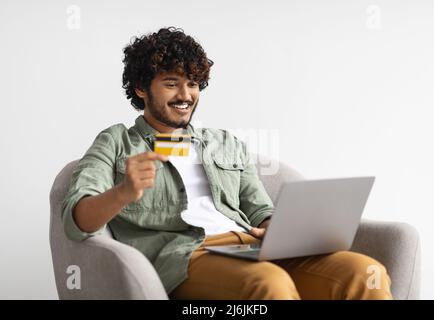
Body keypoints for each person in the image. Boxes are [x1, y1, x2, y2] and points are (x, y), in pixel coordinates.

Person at [62, 27, 392, 300]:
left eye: (192, 83)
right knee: (268, 283)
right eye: (171, 83)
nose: (185, 95)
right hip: (187, 257)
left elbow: (260, 208)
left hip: (250, 246)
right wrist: (123, 192)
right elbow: (77, 220)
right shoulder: (117, 141)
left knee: (366, 273)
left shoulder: (224, 143)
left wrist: (282, 229)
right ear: (141, 89)